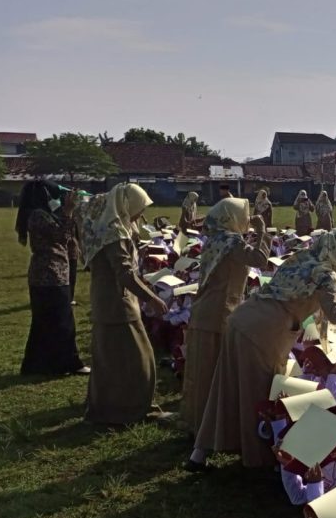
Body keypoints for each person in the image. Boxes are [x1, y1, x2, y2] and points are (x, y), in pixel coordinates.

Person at [188, 228, 336, 469]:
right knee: (261, 391)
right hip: (267, 331)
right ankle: (259, 458)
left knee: (226, 384)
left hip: (244, 317)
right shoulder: (325, 274)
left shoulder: (299, 258)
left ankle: (199, 452)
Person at [181, 199, 271, 434]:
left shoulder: (216, 239)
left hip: (206, 308)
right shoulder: (231, 241)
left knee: (202, 371)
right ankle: (210, 426)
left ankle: (198, 421)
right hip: (220, 311)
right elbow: (260, 260)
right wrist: (262, 232)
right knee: (214, 372)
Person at [80, 183, 167, 425]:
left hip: (106, 301)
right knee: (138, 361)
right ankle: (136, 410)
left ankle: (106, 409)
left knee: (109, 361)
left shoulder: (106, 227)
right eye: (140, 209)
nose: (142, 215)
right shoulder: (114, 234)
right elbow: (125, 274)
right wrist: (152, 297)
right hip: (118, 305)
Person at [15, 180, 89, 376]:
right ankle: (70, 363)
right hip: (51, 275)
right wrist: (68, 211)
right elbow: (62, 235)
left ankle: (38, 365)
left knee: (44, 323)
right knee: (62, 322)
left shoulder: (39, 214)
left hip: (47, 275)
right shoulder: (39, 216)